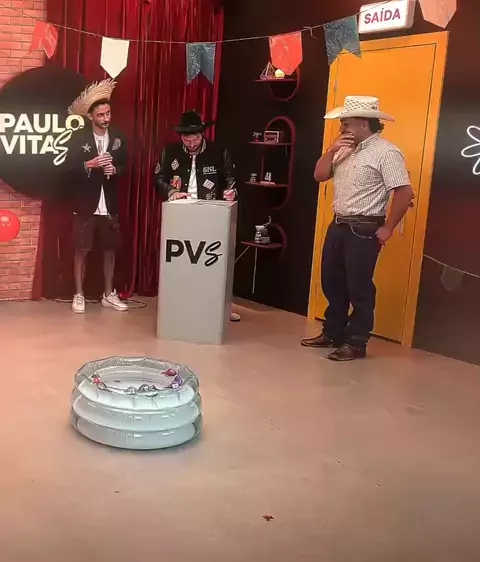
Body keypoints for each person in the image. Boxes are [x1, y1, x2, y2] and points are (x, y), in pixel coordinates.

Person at [302, 96, 413, 361]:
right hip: (339, 223)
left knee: (359, 288)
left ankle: (356, 342)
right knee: (332, 282)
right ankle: (333, 332)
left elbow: (404, 192)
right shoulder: (344, 149)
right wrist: (331, 150)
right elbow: (319, 175)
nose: (342, 128)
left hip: (364, 228)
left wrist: (388, 228)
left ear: (364, 123)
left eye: (346, 123)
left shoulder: (386, 152)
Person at [153, 110, 241, 322]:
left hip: (210, 213)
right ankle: (180, 305)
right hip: (180, 213)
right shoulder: (170, 152)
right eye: (187, 140)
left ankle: (219, 308)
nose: (191, 144)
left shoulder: (219, 152)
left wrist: (231, 192)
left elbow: (231, 179)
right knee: (182, 262)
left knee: (212, 263)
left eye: (195, 139)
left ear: (202, 135)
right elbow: (158, 178)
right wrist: (171, 192)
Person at [66, 79, 128, 314]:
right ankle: (79, 294)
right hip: (85, 204)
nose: (106, 118)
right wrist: (89, 164)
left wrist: (115, 170)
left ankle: (108, 294)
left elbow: (126, 165)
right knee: (81, 250)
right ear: (91, 116)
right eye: (101, 115)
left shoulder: (118, 137)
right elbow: (67, 168)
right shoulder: (78, 138)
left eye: (108, 113)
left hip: (109, 204)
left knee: (110, 249)